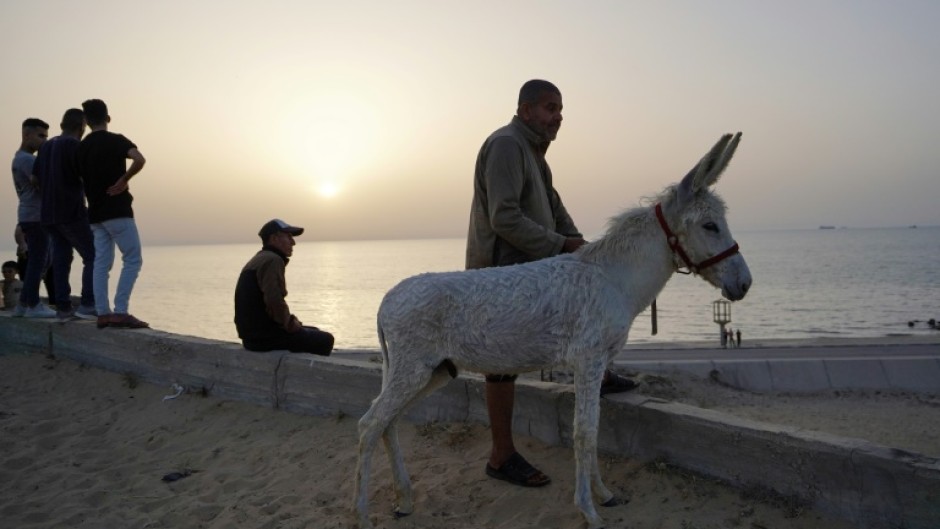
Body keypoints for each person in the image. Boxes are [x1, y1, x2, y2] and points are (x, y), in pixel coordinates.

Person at [466, 79, 636, 488]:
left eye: (560, 109)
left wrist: (586, 251)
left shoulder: (536, 156)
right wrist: (563, 245)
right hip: (501, 275)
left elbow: (558, 214)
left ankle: (600, 372)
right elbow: (503, 217)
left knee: (583, 303)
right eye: (550, 107)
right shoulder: (507, 145)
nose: (558, 116)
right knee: (500, 365)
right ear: (526, 111)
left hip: (532, 270)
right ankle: (501, 455)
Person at [77, 99, 148, 329]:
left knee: (101, 264)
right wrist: (123, 180)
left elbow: (78, 179)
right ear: (108, 118)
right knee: (133, 258)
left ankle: (103, 313)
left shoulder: (81, 148)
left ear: (86, 121)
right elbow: (139, 159)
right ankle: (121, 311)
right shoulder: (116, 140)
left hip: (95, 214)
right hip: (117, 210)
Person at [234, 219, 334, 355]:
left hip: (252, 336)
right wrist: (291, 325)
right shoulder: (273, 260)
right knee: (325, 340)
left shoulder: (259, 258)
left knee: (313, 332)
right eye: (288, 237)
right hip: (264, 338)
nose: (293, 242)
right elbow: (274, 301)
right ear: (274, 238)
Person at [34, 108, 97, 320]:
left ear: (62, 125)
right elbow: (87, 177)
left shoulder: (46, 146)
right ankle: (88, 304)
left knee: (62, 258)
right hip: (70, 211)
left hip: (48, 213)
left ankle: (63, 308)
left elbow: (35, 179)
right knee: (93, 255)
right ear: (82, 126)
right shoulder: (75, 146)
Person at [11, 117, 55, 318]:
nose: (44, 141)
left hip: (28, 214)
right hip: (36, 216)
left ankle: (23, 304)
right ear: (26, 134)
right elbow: (43, 185)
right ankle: (34, 304)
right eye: (40, 136)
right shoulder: (29, 160)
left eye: (46, 136)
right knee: (39, 261)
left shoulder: (18, 158)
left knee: (39, 260)